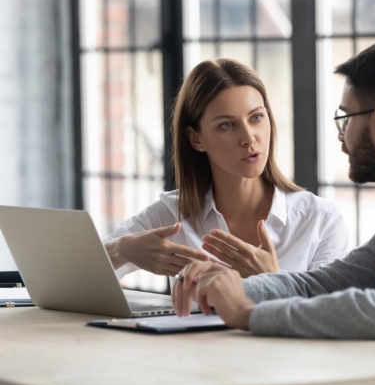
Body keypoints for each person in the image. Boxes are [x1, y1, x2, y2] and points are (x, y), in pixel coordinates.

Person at [172, 37, 375, 341]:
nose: (342, 135)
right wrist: (225, 286)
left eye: (346, 117)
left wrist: (248, 313)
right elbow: (319, 286)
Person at [103, 58, 350, 281]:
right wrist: (122, 250)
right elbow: (70, 273)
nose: (248, 138)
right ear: (196, 139)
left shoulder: (320, 220)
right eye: (227, 125)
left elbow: (330, 316)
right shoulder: (173, 216)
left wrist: (272, 278)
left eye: (256, 118)